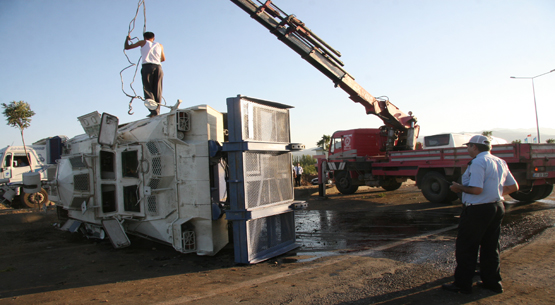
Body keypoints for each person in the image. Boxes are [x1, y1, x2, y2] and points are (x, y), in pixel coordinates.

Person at [442, 135, 519, 294]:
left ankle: (462, 285)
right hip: (496, 206)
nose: (467, 149)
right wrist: (494, 193)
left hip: (477, 210)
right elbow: (514, 187)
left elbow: (476, 190)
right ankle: (492, 283)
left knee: (467, 247)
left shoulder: (478, 162)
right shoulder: (500, 161)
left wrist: (458, 188)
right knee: (491, 247)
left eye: (468, 146)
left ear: (475, 147)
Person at [124, 32, 166, 117]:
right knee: (157, 90)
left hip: (147, 67)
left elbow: (127, 47)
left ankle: (153, 111)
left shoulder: (142, 42)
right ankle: (157, 111)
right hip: (158, 67)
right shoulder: (160, 45)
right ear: (153, 38)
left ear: (144, 37)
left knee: (147, 88)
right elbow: (163, 59)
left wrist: (127, 39)